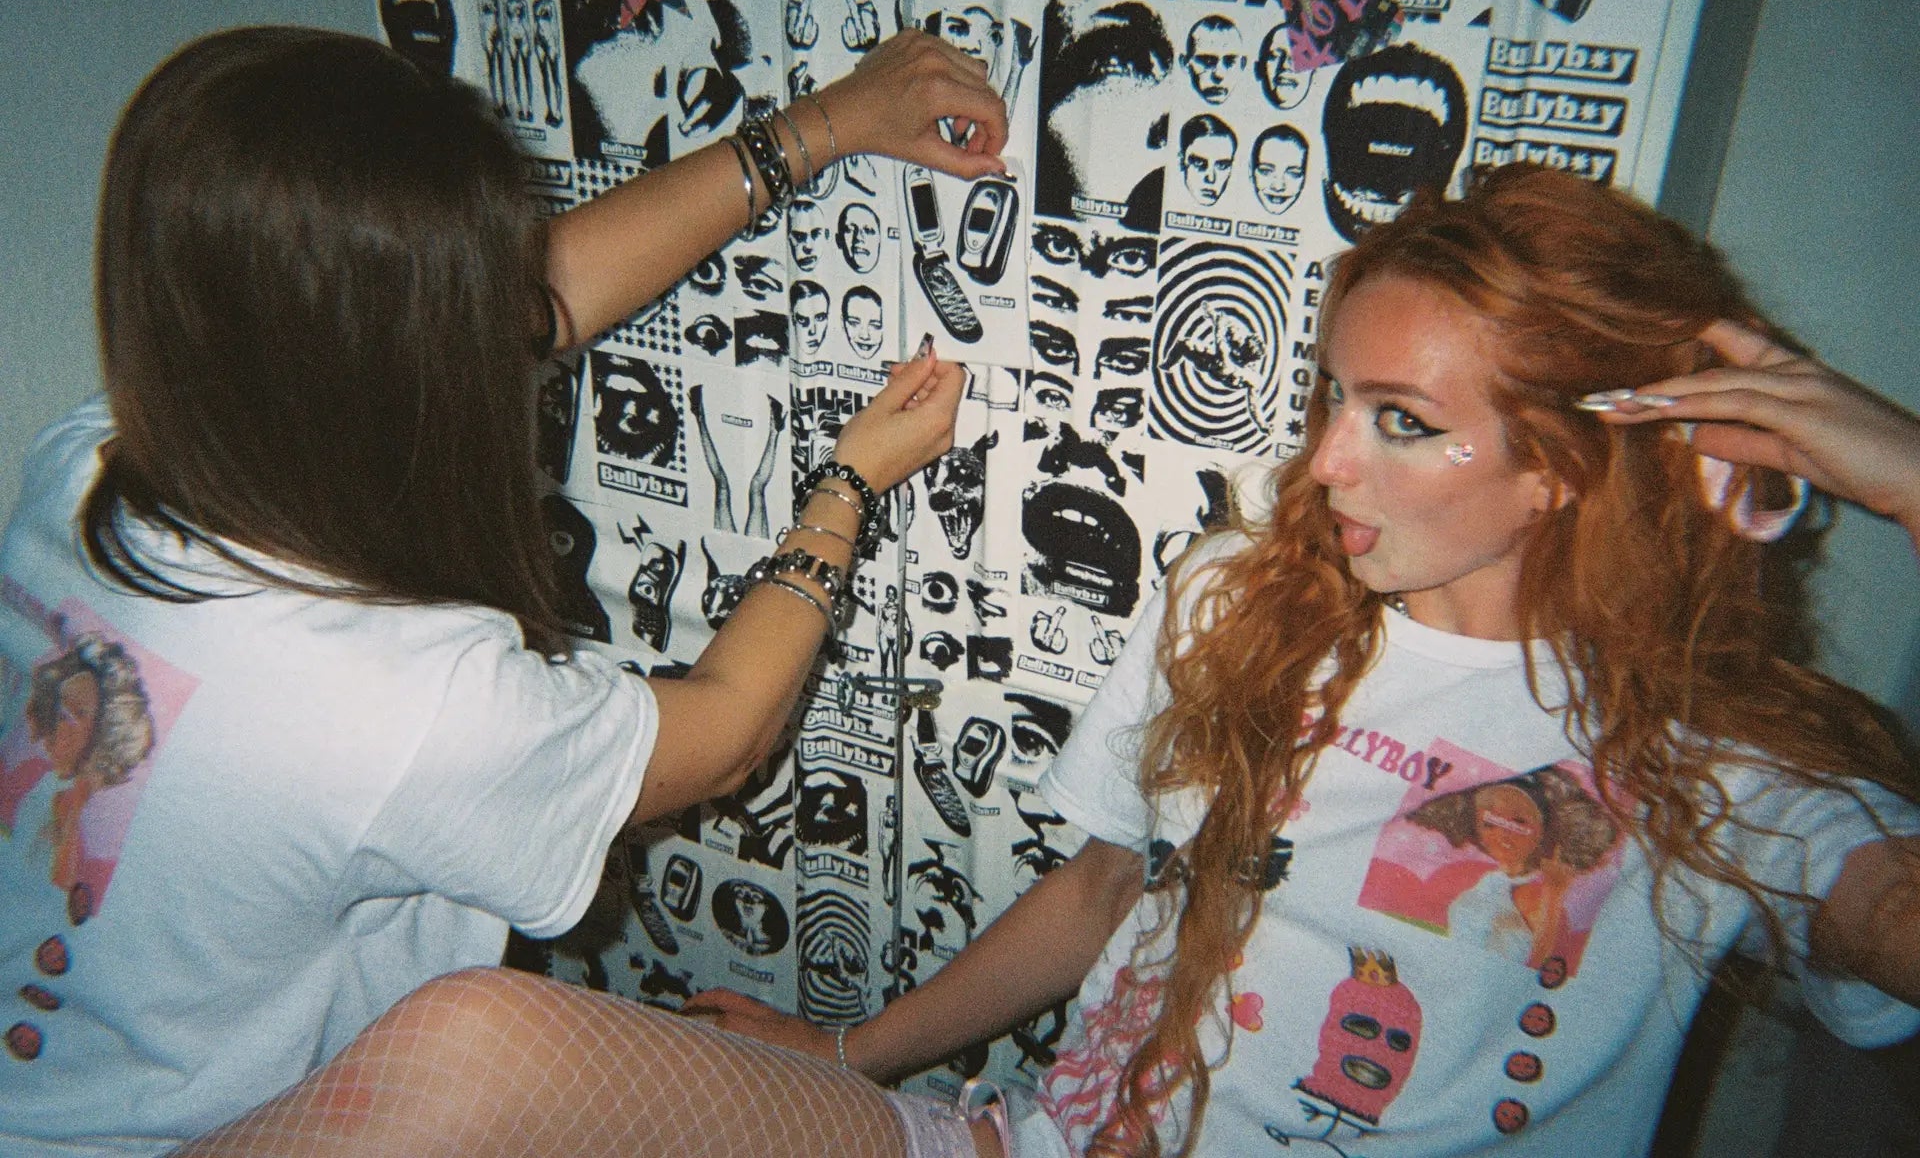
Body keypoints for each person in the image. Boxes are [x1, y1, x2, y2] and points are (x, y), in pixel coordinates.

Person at [158, 166, 1920, 1158]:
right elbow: (1096, 894)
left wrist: (1901, 473)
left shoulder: (1716, 764)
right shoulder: (1252, 590)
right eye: (1332, 400)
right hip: (1032, 1147)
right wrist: (849, 1059)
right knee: (473, 1044)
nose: (1324, 466)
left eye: (1403, 425)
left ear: (1565, 463)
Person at [0, 23, 1005, 1155]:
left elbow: (538, 292)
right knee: (481, 1043)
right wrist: (849, 483)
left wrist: (829, 124)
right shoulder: (388, 697)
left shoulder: (92, 458)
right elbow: (721, 732)